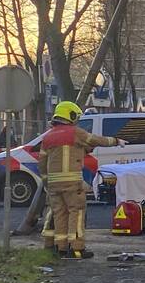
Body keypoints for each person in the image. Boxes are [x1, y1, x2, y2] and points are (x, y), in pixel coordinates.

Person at [39, 101, 125, 259]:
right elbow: (96, 140)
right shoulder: (75, 133)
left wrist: (46, 183)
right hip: (72, 183)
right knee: (76, 213)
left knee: (59, 214)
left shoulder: (48, 136)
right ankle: (77, 249)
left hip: (53, 185)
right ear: (70, 115)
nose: (77, 119)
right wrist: (116, 141)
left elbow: (42, 163)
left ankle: (61, 247)